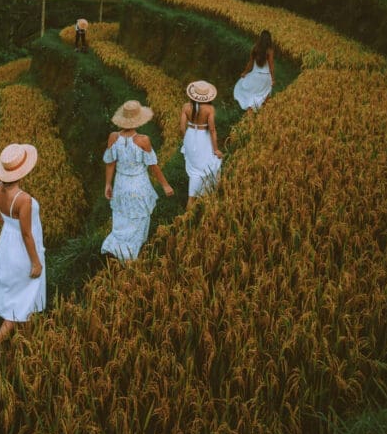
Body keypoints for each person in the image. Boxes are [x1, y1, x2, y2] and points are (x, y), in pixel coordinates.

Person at [0, 143, 45, 356]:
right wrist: (36, 262)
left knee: (18, 297)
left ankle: (25, 342)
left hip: (6, 247)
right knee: (20, 304)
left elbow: (3, 218)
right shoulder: (24, 199)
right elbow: (27, 234)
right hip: (22, 252)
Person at [102, 99, 173, 260]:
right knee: (139, 217)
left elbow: (110, 163)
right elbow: (153, 166)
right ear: (138, 120)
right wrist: (165, 185)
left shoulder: (113, 137)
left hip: (121, 183)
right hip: (139, 184)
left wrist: (108, 184)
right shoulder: (143, 140)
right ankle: (132, 252)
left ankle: (116, 248)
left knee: (121, 215)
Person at [180, 80, 223, 210]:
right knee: (212, 162)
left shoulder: (186, 107)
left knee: (195, 168)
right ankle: (210, 195)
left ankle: (193, 199)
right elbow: (212, 130)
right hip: (203, 138)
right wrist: (216, 149)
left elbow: (182, 128)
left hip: (190, 136)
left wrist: (186, 141)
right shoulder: (209, 109)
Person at [233, 29, 275, 111]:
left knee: (252, 94)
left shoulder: (255, 48)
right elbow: (271, 66)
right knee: (264, 97)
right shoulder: (269, 50)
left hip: (255, 76)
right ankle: (260, 115)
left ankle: (250, 110)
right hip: (266, 78)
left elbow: (250, 63)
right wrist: (273, 79)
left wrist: (245, 72)